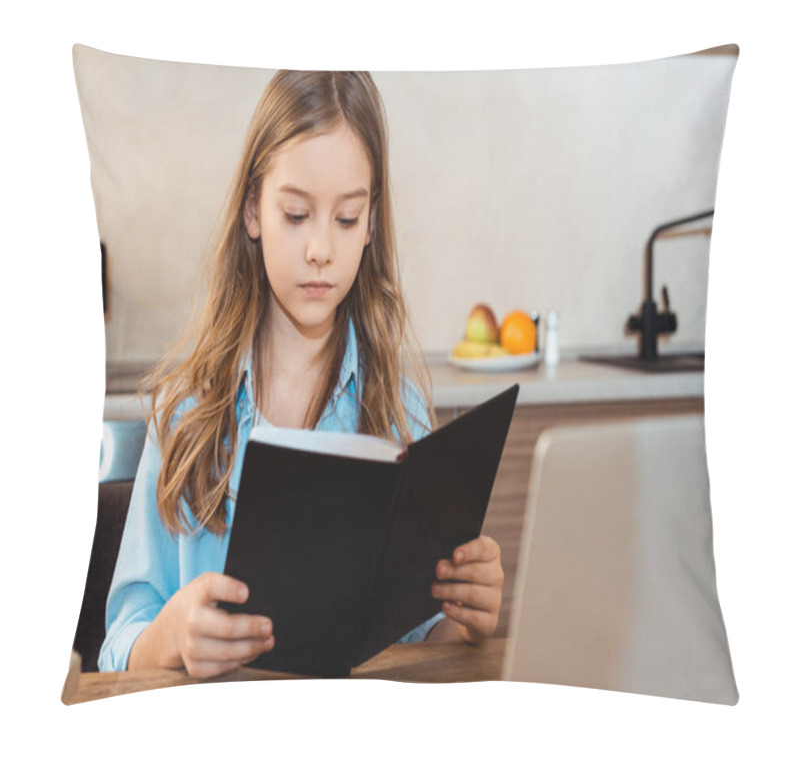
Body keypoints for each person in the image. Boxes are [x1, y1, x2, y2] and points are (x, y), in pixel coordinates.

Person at [98, 70, 504, 678]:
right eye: (295, 214)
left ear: (371, 225)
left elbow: (415, 636)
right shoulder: (185, 410)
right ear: (252, 211)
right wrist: (173, 635)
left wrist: (465, 617)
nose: (321, 248)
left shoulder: (398, 410)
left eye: (345, 219)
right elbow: (118, 645)